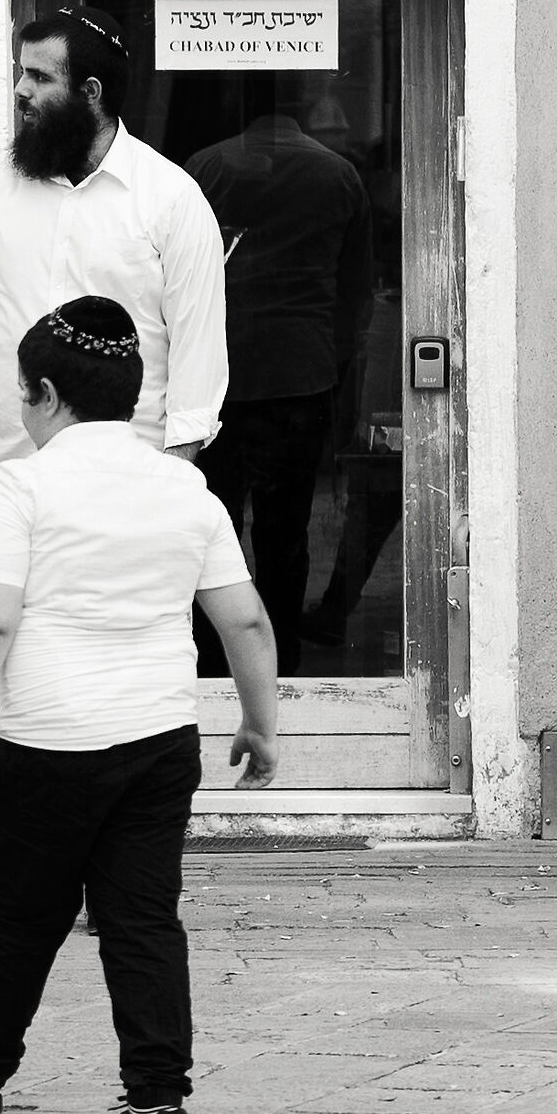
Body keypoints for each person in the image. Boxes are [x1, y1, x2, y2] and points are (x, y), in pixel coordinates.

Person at [0, 297, 279, 1114]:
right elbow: (244, 622)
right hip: (159, 741)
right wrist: (259, 723)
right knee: (144, 921)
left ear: (49, 395)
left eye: (24, 395)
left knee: (22, 923)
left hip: (47, 746)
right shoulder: (184, 486)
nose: (22, 411)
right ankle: (157, 1109)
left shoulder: (25, 485)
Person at [0, 6, 228, 933]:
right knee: (5, 663)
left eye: (38, 79)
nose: (19, 94)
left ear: (89, 94)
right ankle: (6, 877)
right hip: (7, 480)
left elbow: (200, 376)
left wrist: (161, 489)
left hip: (126, 487)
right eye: (18, 75)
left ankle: (117, 884)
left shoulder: (170, 199)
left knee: (121, 668)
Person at [184, 92, 372, 677]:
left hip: (219, 379)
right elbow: (356, 292)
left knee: (211, 530)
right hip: (300, 375)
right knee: (286, 534)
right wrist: (329, 363)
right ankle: (282, 663)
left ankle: (215, 668)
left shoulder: (206, 168)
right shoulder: (339, 173)